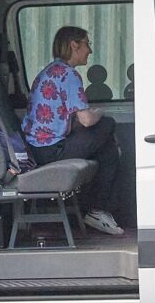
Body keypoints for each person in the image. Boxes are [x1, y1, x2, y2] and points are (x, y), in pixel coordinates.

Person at [22, 26, 124, 236]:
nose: (90, 50)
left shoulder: (49, 71)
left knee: (106, 149)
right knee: (107, 125)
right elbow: (86, 120)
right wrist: (99, 112)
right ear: (74, 45)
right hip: (52, 150)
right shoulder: (69, 75)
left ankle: (98, 210)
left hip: (39, 147)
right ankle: (98, 210)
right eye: (87, 43)